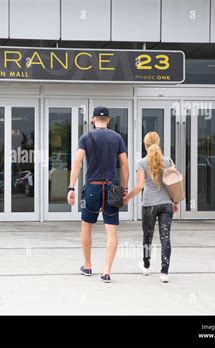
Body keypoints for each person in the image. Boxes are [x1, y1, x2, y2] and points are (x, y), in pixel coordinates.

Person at [67, 106, 129, 283]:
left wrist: (71, 188)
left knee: (86, 227)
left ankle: (87, 266)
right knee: (111, 231)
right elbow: (124, 165)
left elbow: (77, 162)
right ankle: (107, 272)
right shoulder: (117, 138)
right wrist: (124, 189)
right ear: (108, 120)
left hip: (92, 188)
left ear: (93, 120)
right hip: (111, 188)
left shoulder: (86, 137)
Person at [123, 131, 178, 283]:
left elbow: (140, 186)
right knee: (165, 238)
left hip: (149, 205)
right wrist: (176, 202)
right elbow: (174, 183)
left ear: (145, 145)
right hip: (166, 204)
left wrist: (127, 197)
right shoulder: (168, 161)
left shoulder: (141, 163)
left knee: (148, 236)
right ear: (158, 143)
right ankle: (164, 273)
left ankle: (146, 267)